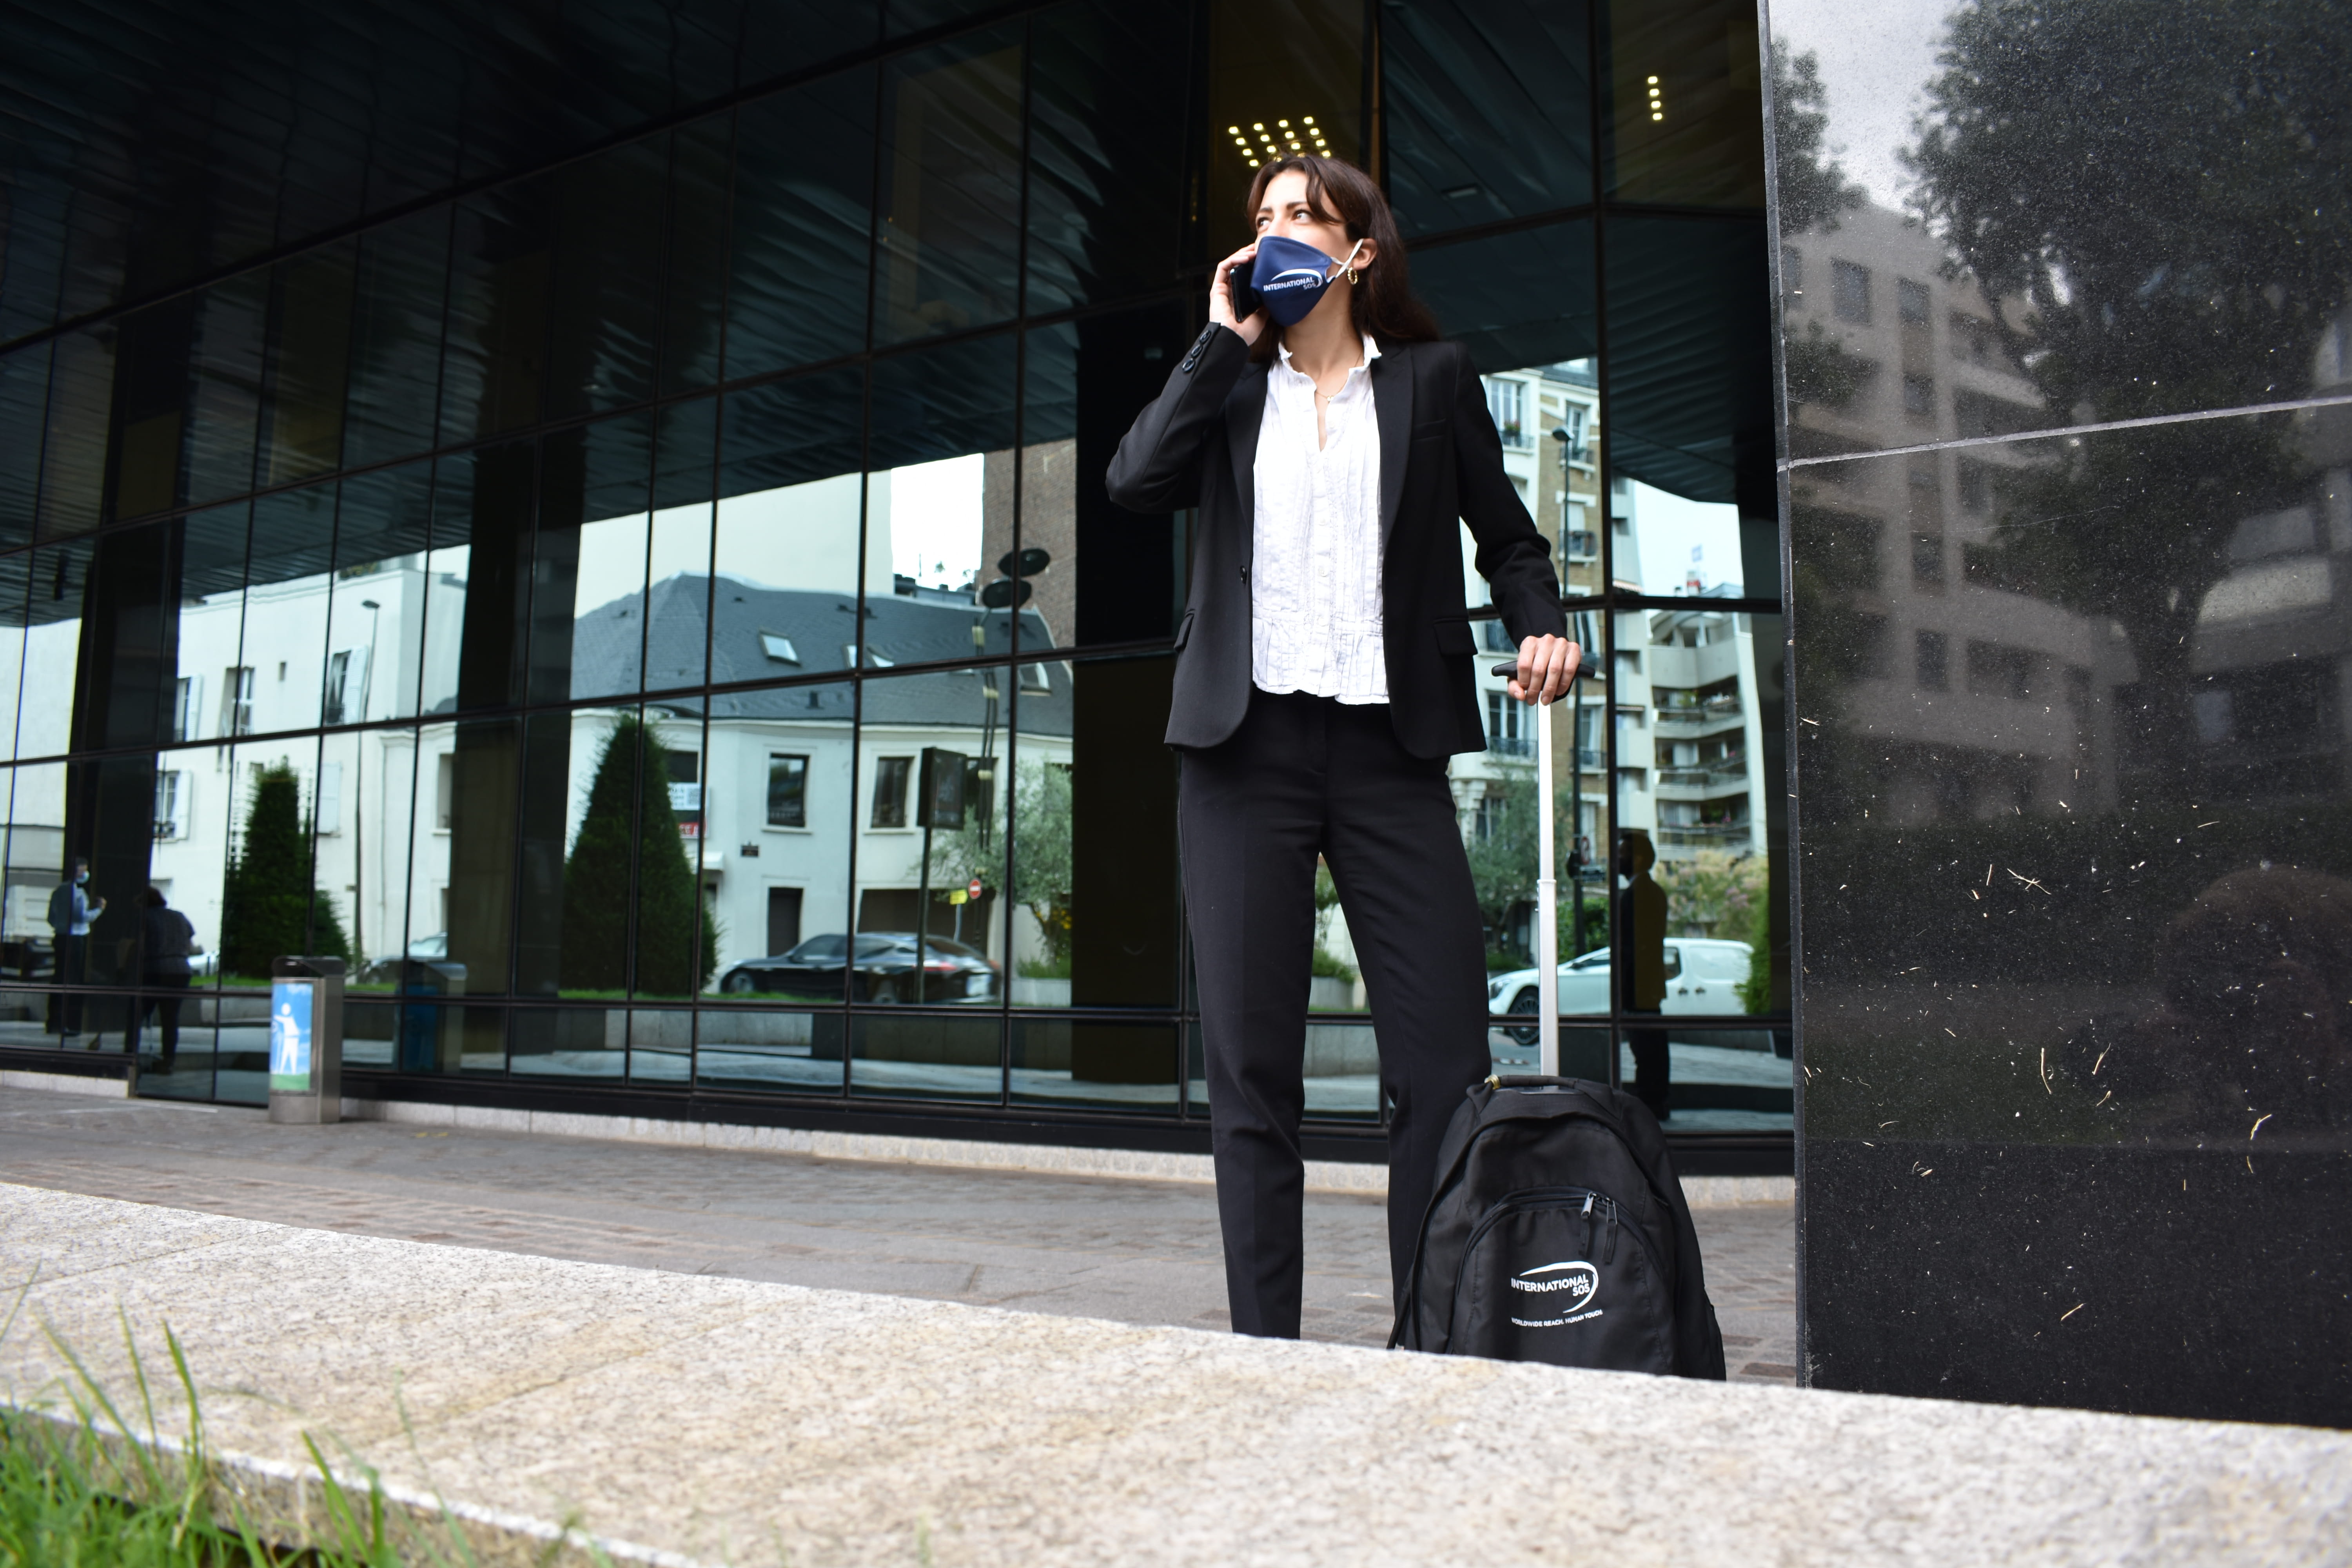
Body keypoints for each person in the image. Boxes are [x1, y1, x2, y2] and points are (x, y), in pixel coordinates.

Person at [1106, 154, 1579, 1338]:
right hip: (1238, 751)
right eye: (1259, 219)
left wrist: (1542, 626)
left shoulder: (1430, 383)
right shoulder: (1226, 388)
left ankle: (1425, 1333)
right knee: (1251, 1075)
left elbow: (1508, 540)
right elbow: (1132, 480)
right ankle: (1266, 1346)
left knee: (1440, 1061)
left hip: (1386, 752)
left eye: (1299, 217)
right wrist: (1220, 341)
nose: (1274, 234)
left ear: (1356, 252)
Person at [1616, 829, 1671, 1119]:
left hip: (1639, 985)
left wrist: (1623, 988)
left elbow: (1634, 948)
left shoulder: (1638, 896)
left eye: (1622, 854)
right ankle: (1655, 1100)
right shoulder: (1650, 892)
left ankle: (1652, 1102)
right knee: (1650, 1044)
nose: (1617, 860)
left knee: (1647, 1046)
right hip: (1645, 985)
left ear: (1637, 859)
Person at [128, 887, 198, 1072]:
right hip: (181, 971)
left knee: (137, 1016)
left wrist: (124, 968)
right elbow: (190, 947)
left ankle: (129, 1056)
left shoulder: (146, 918)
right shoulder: (180, 916)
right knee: (170, 1020)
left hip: (155, 969)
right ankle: (168, 1061)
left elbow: (136, 945)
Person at [45, 857, 103, 1043]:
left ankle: (54, 1020)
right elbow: (82, 917)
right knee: (70, 978)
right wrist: (99, 910)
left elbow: (51, 918)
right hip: (75, 938)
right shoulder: (78, 894)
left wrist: (60, 927)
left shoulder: (58, 891)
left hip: (61, 937)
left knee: (59, 977)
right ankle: (64, 1021)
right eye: (82, 871)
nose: (85, 874)